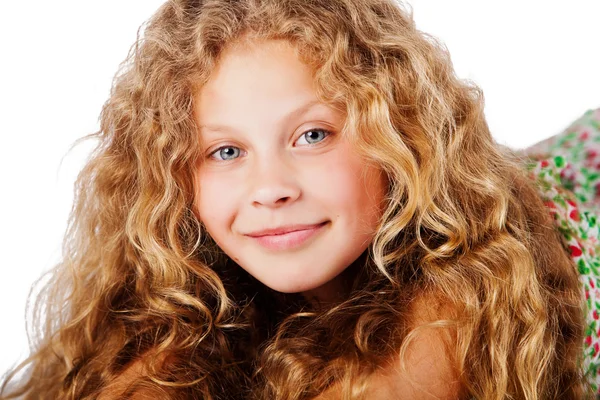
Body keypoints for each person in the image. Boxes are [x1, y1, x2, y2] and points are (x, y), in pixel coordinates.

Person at [0, 0, 595, 398]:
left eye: (313, 136)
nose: (271, 189)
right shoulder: (187, 275)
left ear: (399, 136)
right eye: (226, 152)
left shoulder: (469, 286)